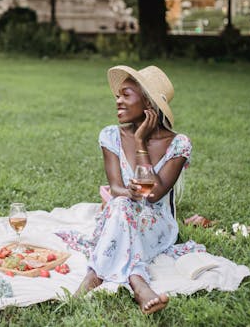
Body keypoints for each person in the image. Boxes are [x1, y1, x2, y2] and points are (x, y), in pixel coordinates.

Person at [77, 65, 192, 314]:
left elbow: (154, 194)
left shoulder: (178, 144)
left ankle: (95, 274)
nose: (117, 101)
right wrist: (127, 194)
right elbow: (117, 187)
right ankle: (137, 282)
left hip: (157, 223)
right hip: (119, 214)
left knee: (122, 205)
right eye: (117, 95)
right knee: (121, 203)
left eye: (126, 95)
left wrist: (140, 142)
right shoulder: (110, 136)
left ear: (149, 103)